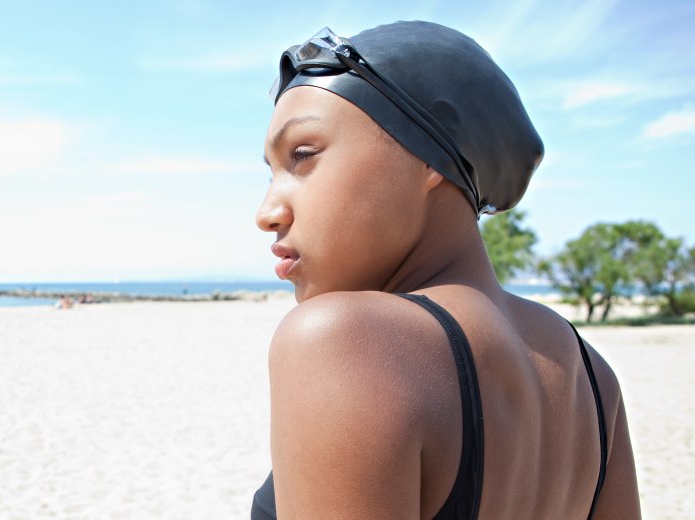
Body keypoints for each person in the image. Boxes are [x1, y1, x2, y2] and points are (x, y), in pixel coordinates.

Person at [252, 21, 640, 519]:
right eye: (271, 172)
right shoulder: (592, 378)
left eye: (303, 155)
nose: (266, 212)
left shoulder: (343, 342)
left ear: (428, 155)